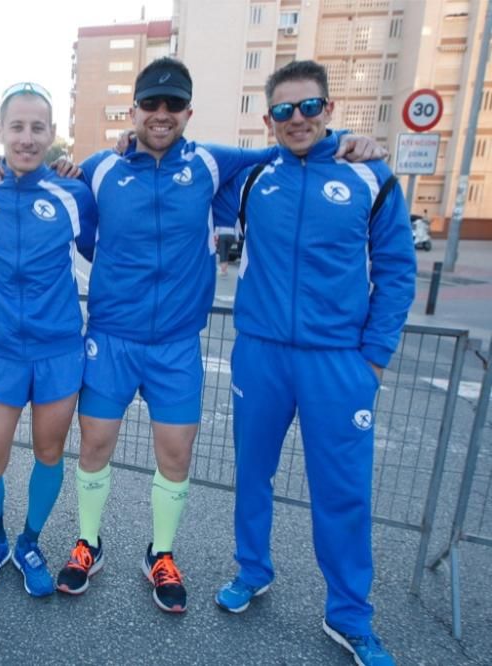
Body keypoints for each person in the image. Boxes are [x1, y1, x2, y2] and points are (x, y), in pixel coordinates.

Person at [0, 57, 382, 613]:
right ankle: (87, 545)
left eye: (173, 105)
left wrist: (345, 141)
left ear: (188, 111)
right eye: (151, 104)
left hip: (176, 345)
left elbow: (287, 151)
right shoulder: (97, 170)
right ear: (135, 110)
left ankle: (160, 554)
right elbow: (62, 205)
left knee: (176, 455)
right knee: (93, 447)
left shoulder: (215, 164)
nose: (161, 114)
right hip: (111, 339)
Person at [211, 60, 415, 666]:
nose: (296, 120)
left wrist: (372, 360)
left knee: (343, 491)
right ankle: (253, 570)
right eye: (282, 110)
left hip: (338, 363)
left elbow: (399, 272)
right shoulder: (252, 179)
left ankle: (350, 615)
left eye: (307, 108)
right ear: (268, 117)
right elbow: (190, 155)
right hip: (261, 355)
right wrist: (124, 139)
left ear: (327, 109)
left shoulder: (369, 174)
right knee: (252, 473)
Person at [0, 82, 97, 597]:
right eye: (16, 126)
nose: (26, 137)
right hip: (1, 352)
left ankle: (30, 541)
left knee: (48, 454)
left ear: (52, 134)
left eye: (37, 127)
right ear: (0, 132)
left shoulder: (74, 193)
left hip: (59, 351)